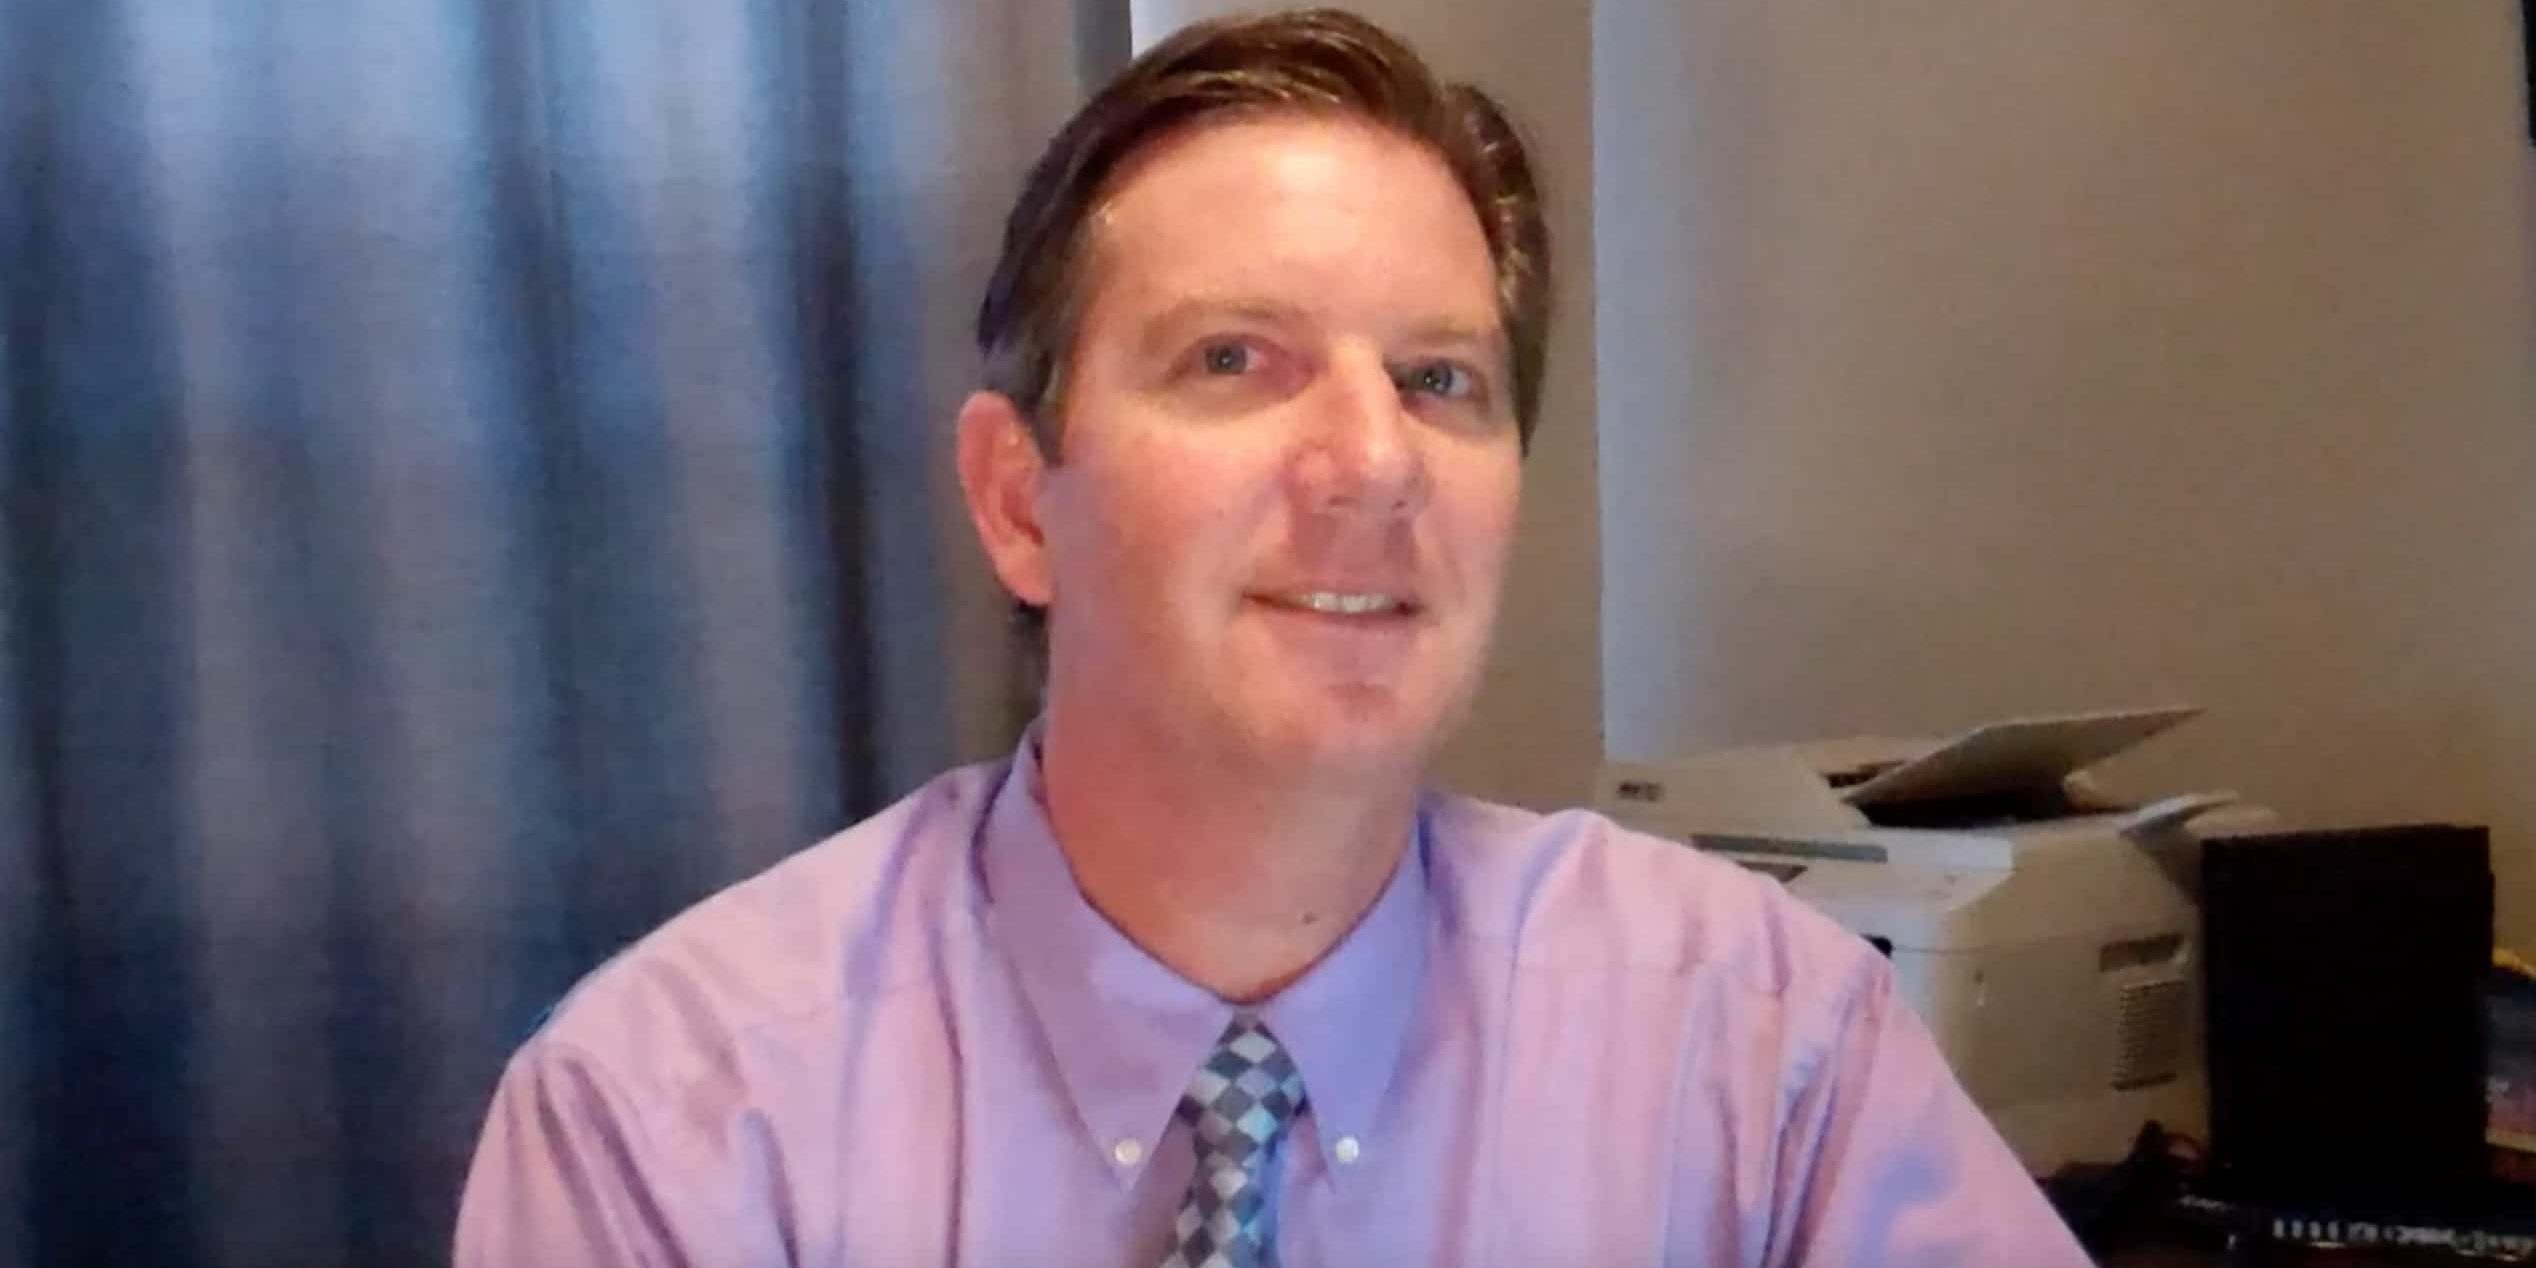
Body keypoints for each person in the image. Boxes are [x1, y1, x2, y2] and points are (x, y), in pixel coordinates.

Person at [452, 9, 2094, 1266]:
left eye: (1440, 380)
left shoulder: (1760, 1047)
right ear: (1019, 503)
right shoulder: (671, 1122)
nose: (1374, 461)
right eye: (1234, 361)